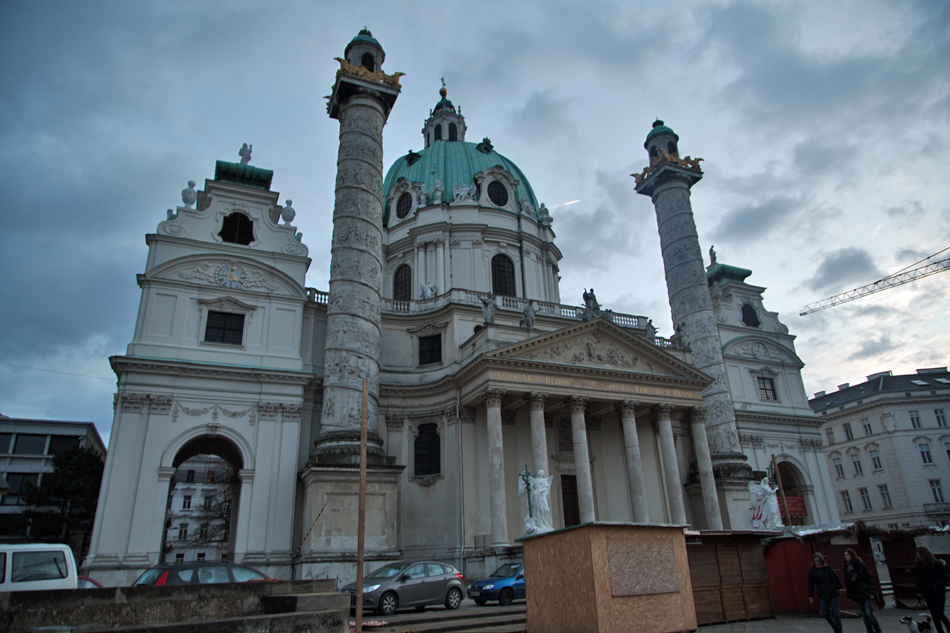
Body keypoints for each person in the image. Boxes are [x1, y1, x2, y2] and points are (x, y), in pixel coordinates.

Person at [843, 548, 881, 633]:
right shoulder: (846, 567)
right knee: (864, 615)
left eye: (847, 555)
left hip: (865, 591)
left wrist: (872, 592)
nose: (846, 557)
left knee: (868, 613)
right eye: (845, 555)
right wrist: (849, 595)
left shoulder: (861, 565)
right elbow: (848, 582)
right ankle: (869, 630)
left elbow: (870, 578)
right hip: (856, 593)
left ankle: (877, 629)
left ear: (852, 555)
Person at [916, 546, 950, 633]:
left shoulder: (937, 564)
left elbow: (946, 577)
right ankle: (940, 631)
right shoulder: (919, 565)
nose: (918, 557)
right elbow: (918, 579)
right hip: (927, 592)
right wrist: (919, 591)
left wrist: (936, 585)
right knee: (934, 614)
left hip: (938, 591)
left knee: (939, 612)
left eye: (919, 555)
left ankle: (948, 627)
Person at [807, 552, 842, 633]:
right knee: (825, 614)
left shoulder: (828, 568)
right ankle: (835, 628)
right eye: (815, 561)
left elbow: (836, 579)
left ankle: (838, 631)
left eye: (818, 561)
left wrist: (832, 587)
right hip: (822, 594)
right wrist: (810, 595)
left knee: (836, 614)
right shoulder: (812, 570)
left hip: (832, 594)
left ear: (822, 560)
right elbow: (810, 583)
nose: (817, 563)